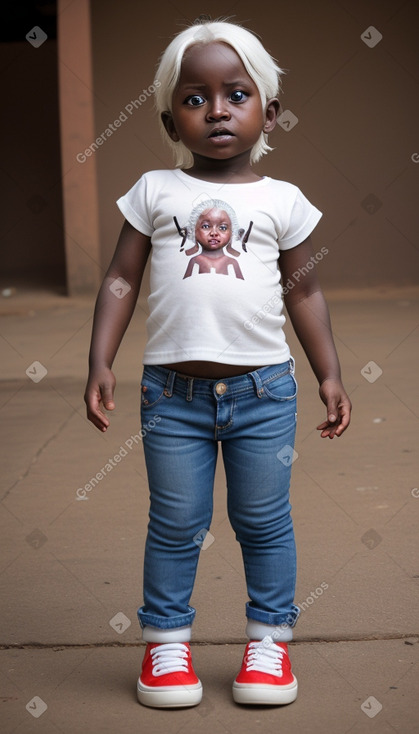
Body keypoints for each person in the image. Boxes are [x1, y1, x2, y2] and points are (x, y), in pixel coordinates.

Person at [84, 18, 352, 710]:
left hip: (264, 393)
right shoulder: (153, 192)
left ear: (270, 110)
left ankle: (268, 642)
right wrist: (100, 359)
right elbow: (120, 278)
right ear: (171, 119)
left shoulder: (281, 201)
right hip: (169, 397)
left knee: (263, 520)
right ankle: (165, 643)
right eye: (194, 98)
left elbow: (305, 290)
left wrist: (329, 372)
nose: (217, 110)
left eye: (236, 94)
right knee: (176, 523)